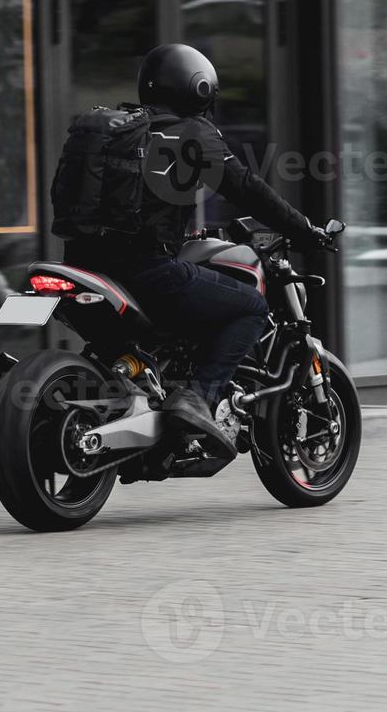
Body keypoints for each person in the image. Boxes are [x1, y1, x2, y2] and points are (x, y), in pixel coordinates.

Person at [62, 43, 330, 455]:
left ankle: (142, 401)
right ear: (200, 88)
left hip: (81, 267)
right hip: (145, 273)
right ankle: (198, 399)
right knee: (250, 308)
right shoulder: (191, 133)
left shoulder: (115, 128)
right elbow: (249, 191)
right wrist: (306, 231)